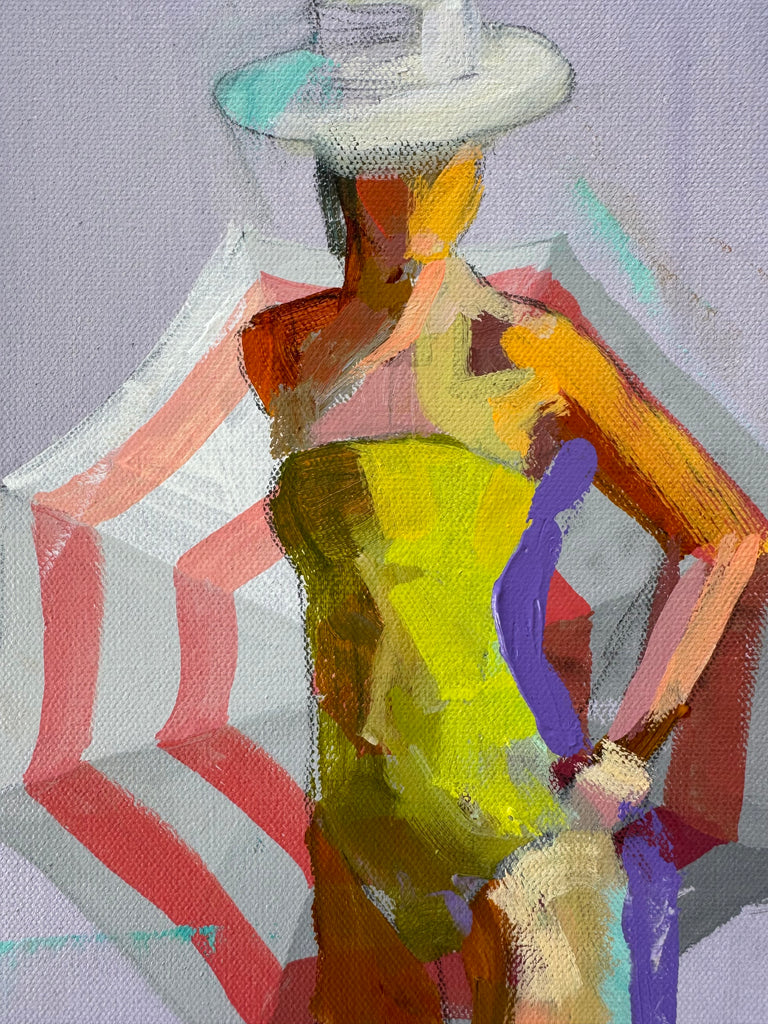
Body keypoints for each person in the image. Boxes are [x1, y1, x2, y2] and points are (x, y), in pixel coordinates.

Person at [216, 4, 768, 1021]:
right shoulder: (279, 352)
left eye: (453, 147)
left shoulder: (523, 349)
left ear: (478, 162)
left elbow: (726, 534)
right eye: (397, 153)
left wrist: (626, 750)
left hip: (526, 845)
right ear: (343, 167)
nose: (430, 177)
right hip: (356, 856)